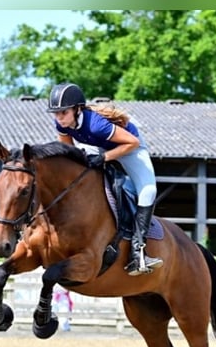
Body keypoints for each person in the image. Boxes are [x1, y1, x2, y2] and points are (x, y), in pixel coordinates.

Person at [47, 82, 162, 276]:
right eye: (56, 113)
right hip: (97, 146)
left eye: (63, 112)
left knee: (148, 190)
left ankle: (138, 252)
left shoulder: (95, 124)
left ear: (77, 109)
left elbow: (131, 142)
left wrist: (104, 158)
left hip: (128, 147)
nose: (59, 118)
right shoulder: (62, 123)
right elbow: (70, 153)